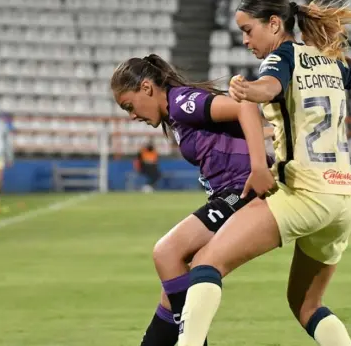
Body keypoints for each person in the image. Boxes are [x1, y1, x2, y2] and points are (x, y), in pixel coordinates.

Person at [177, 0, 351, 346]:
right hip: (345, 197)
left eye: (248, 30)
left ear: (274, 23)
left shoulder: (281, 57)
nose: (245, 40)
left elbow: (269, 86)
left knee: (206, 261)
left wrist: (249, 89)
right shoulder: (327, 60)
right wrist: (332, 48)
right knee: (306, 303)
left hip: (305, 192)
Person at [110, 54, 273, 346]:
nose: (132, 115)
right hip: (230, 192)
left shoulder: (183, 103)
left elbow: (245, 105)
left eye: (129, 106)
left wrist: (260, 168)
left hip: (241, 189)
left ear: (147, 88)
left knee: (167, 252)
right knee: (172, 292)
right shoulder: (176, 114)